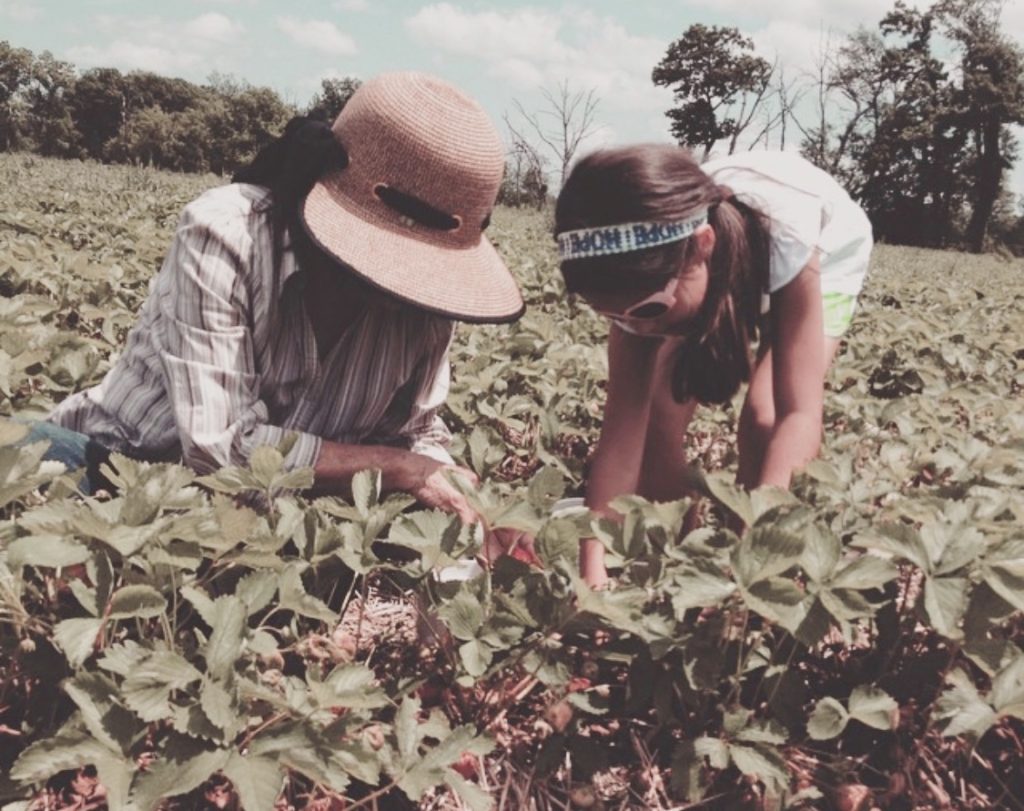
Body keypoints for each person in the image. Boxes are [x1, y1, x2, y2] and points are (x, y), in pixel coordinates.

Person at [38, 71, 525, 523]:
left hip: (283, 509)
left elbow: (415, 433)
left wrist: (465, 499)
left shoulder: (429, 308)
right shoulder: (229, 235)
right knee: (26, 452)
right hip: (121, 467)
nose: (414, 285)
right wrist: (397, 467)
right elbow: (218, 451)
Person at [554, 145, 873, 588]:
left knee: (764, 419)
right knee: (660, 418)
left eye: (645, 311)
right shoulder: (635, 284)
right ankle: (676, 556)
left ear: (701, 247)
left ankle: (747, 563)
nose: (632, 328)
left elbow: (799, 414)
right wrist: (593, 570)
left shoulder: (790, 239)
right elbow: (620, 437)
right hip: (708, 274)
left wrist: (753, 561)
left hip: (828, 250)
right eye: (612, 315)